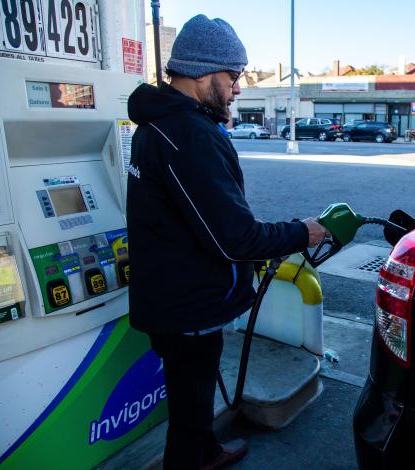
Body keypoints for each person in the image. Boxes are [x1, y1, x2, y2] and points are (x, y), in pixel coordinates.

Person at [125, 15, 328, 469]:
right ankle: (192, 459)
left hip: (176, 296)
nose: (238, 87)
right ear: (202, 72)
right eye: (234, 76)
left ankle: (207, 451)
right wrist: (304, 231)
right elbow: (235, 237)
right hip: (188, 305)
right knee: (189, 404)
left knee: (193, 398)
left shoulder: (156, 125)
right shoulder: (188, 135)